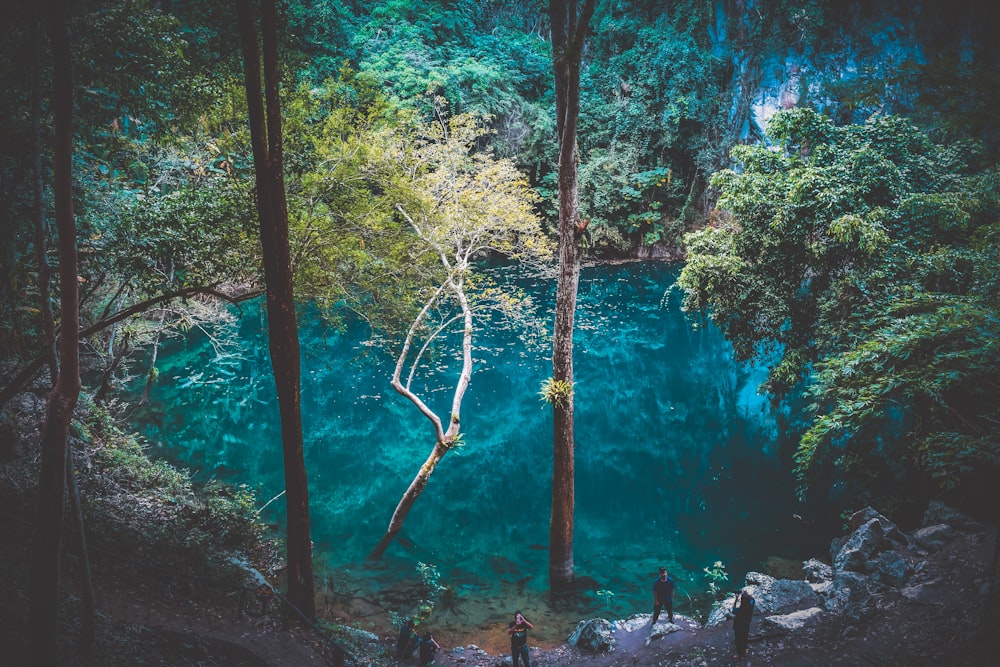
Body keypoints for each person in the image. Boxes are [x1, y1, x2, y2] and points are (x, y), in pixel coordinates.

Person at [732, 589, 755, 659]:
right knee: (744, 639)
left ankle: (740, 654)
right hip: (746, 626)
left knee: (738, 640)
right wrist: (748, 595)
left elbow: (733, 610)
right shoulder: (750, 607)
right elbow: (752, 600)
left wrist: (736, 599)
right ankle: (744, 652)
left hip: (739, 627)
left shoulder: (740, 610)